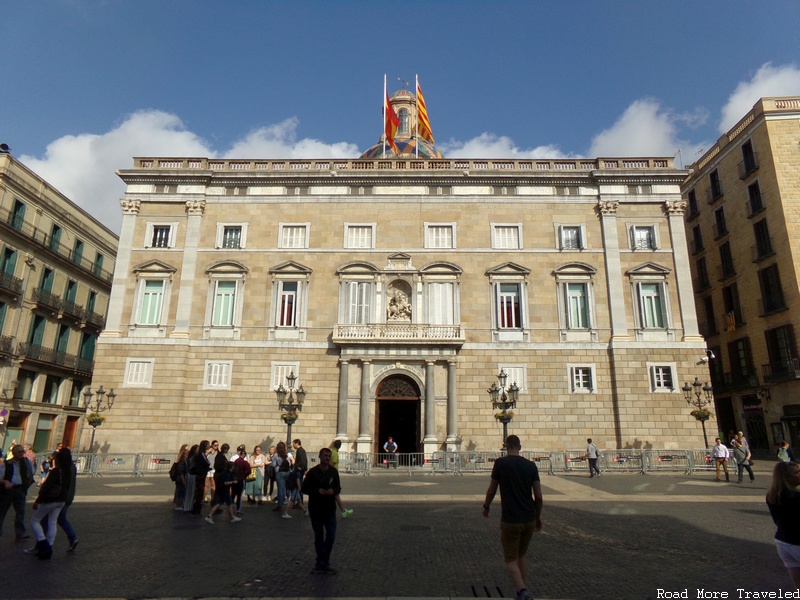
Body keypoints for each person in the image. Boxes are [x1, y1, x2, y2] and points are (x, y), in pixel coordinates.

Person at [482, 435, 542, 600]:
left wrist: (486, 506)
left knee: (510, 559)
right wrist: (538, 516)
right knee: (521, 555)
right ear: (520, 447)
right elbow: (539, 496)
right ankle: (522, 589)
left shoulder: (501, 464)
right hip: (529, 518)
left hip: (510, 519)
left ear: (506, 447)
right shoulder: (531, 466)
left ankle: (522, 592)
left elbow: (491, 490)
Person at [301, 447, 342, 575]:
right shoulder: (312, 472)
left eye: (329, 456)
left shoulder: (333, 472)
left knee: (330, 536)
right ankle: (321, 563)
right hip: (316, 510)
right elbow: (304, 488)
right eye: (325, 456)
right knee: (319, 537)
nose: (327, 458)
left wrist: (333, 491)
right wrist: (317, 491)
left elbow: (338, 487)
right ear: (320, 457)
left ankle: (323, 561)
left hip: (329, 510)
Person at [28, 447, 72, 559]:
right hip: (61, 500)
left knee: (34, 521)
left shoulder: (56, 471)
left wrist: (38, 500)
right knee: (52, 522)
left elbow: (46, 487)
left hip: (50, 500)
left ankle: (43, 542)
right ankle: (49, 546)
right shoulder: (69, 471)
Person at [766, 461, 800, 587]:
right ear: (787, 477)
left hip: (783, 542)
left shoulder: (772, 495)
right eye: (797, 472)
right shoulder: (795, 496)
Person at [0, 443, 35, 542]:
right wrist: (5, 481)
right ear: (13, 453)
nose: (21, 453)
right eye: (19, 452)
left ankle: (20, 533)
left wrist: (26, 485)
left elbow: (31, 473)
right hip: (8, 490)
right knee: (2, 511)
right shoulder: (6, 464)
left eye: (22, 451)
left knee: (20, 512)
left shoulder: (26, 462)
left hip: (20, 489)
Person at [54, 447, 79, 552]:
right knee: (60, 519)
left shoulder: (63, 468)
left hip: (61, 498)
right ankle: (72, 538)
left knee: (48, 520)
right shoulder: (73, 467)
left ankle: (42, 542)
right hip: (69, 497)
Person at [330, 440, 353, 518]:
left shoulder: (332, 452)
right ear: (339, 446)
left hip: (332, 476)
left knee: (335, 495)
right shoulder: (335, 454)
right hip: (332, 477)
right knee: (335, 494)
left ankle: (343, 510)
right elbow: (332, 465)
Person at [190, 440, 212, 515]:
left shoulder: (201, 454)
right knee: (199, 492)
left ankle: (197, 508)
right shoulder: (202, 454)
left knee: (199, 492)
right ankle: (196, 509)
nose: (209, 446)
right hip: (201, 475)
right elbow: (207, 463)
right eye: (208, 445)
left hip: (201, 474)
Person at [272, 441, 291, 513]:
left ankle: (279, 505)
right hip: (286, 472)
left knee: (280, 488)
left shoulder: (276, 455)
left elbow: (273, 465)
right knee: (284, 488)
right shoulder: (286, 455)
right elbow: (289, 464)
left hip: (279, 472)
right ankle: (285, 500)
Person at [231, 445, 250, 515]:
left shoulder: (235, 461)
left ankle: (230, 508)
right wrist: (245, 475)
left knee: (233, 495)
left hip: (235, 479)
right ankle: (238, 510)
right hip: (241, 480)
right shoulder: (245, 462)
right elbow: (249, 471)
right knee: (239, 495)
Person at [182, 444, 199, 513]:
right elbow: (191, 467)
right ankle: (187, 507)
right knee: (189, 491)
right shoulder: (192, 458)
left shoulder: (192, 457)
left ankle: (189, 506)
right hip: (191, 475)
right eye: (197, 449)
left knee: (191, 492)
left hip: (192, 475)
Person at [172, 444, 189, 510]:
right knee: (180, 491)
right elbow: (180, 472)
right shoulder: (181, 461)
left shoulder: (185, 461)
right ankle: (178, 504)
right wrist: (183, 480)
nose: (187, 452)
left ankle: (179, 503)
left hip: (181, 478)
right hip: (180, 479)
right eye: (185, 450)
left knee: (181, 491)